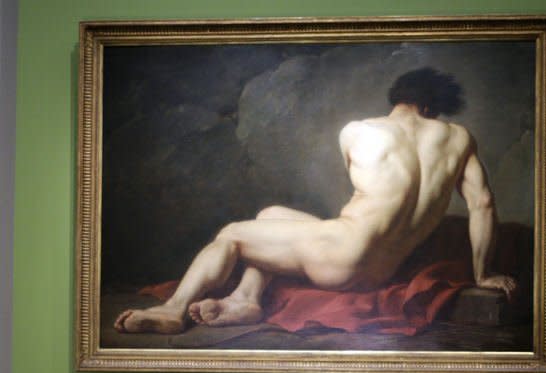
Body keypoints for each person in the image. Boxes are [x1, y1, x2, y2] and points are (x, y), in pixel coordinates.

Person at [114, 68, 517, 335]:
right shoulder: (459, 138)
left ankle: (173, 310)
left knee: (234, 234)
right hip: (378, 270)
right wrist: (483, 274)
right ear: (432, 108)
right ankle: (245, 300)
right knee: (271, 216)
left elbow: (368, 193)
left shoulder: (358, 131)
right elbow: (482, 204)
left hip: (339, 254)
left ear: (398, 100)